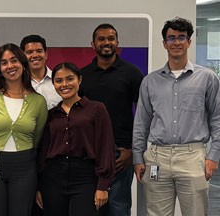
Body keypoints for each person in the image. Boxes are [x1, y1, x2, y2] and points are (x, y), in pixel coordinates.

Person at [133, 17, 220, 216]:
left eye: (182, 37)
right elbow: (141, 123)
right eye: (171, 38)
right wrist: (138, 157)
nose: (177, 42)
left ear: (189, 41)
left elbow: (218, 119)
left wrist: (214, 156)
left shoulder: (207, 78)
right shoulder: (150, 82)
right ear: (164, 44)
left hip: (192, 156)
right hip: (156, 158)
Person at [0, 43, 48, 215]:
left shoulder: (38, 102)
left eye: (14, 60)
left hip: (24, 167)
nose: (10, 66)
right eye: (4, 62)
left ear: (22, 63)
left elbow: (37, 139)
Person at [79, 23, 143, 216]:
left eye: (110, 38)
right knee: (92, 207)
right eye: (101, 39)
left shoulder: (132, 73)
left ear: (117, 43)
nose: (106, 42)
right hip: (89, 153)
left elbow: (144, 115)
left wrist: (132, 151)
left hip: (120, 154)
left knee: (118, 207)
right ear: (93, 44)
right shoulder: (83, 76)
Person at [38, 62, 115, 216]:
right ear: (53, 84)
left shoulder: (97, 109)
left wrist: (103, 185)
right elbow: (43, 151)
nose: (64, 84)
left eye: (69, 79)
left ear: (79, 80)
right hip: (53, 178)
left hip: (85, 178)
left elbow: (105, 147)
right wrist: (38, 186)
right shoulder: (51, 114)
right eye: (59, 81)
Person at [20, 35, 61, 110]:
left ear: (46, 54)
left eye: (39, 51)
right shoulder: (17, 83)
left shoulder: (59, 81)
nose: (35, 55)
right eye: (30, 52)